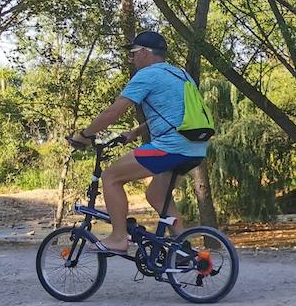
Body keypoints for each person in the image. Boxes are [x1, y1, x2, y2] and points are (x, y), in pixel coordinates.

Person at [68, 31, 210, 254]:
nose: (131, 59)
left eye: (133, 53)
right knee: (156, 195)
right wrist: (137, 131)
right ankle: (181, 247)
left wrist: (85, 135)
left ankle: (118, 238)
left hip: (170, 147)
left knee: (110, 176)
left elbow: (114, 112)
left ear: (144, 52)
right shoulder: (181, 75)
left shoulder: (147, 75)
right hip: (195, 148)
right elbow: (181, 115)